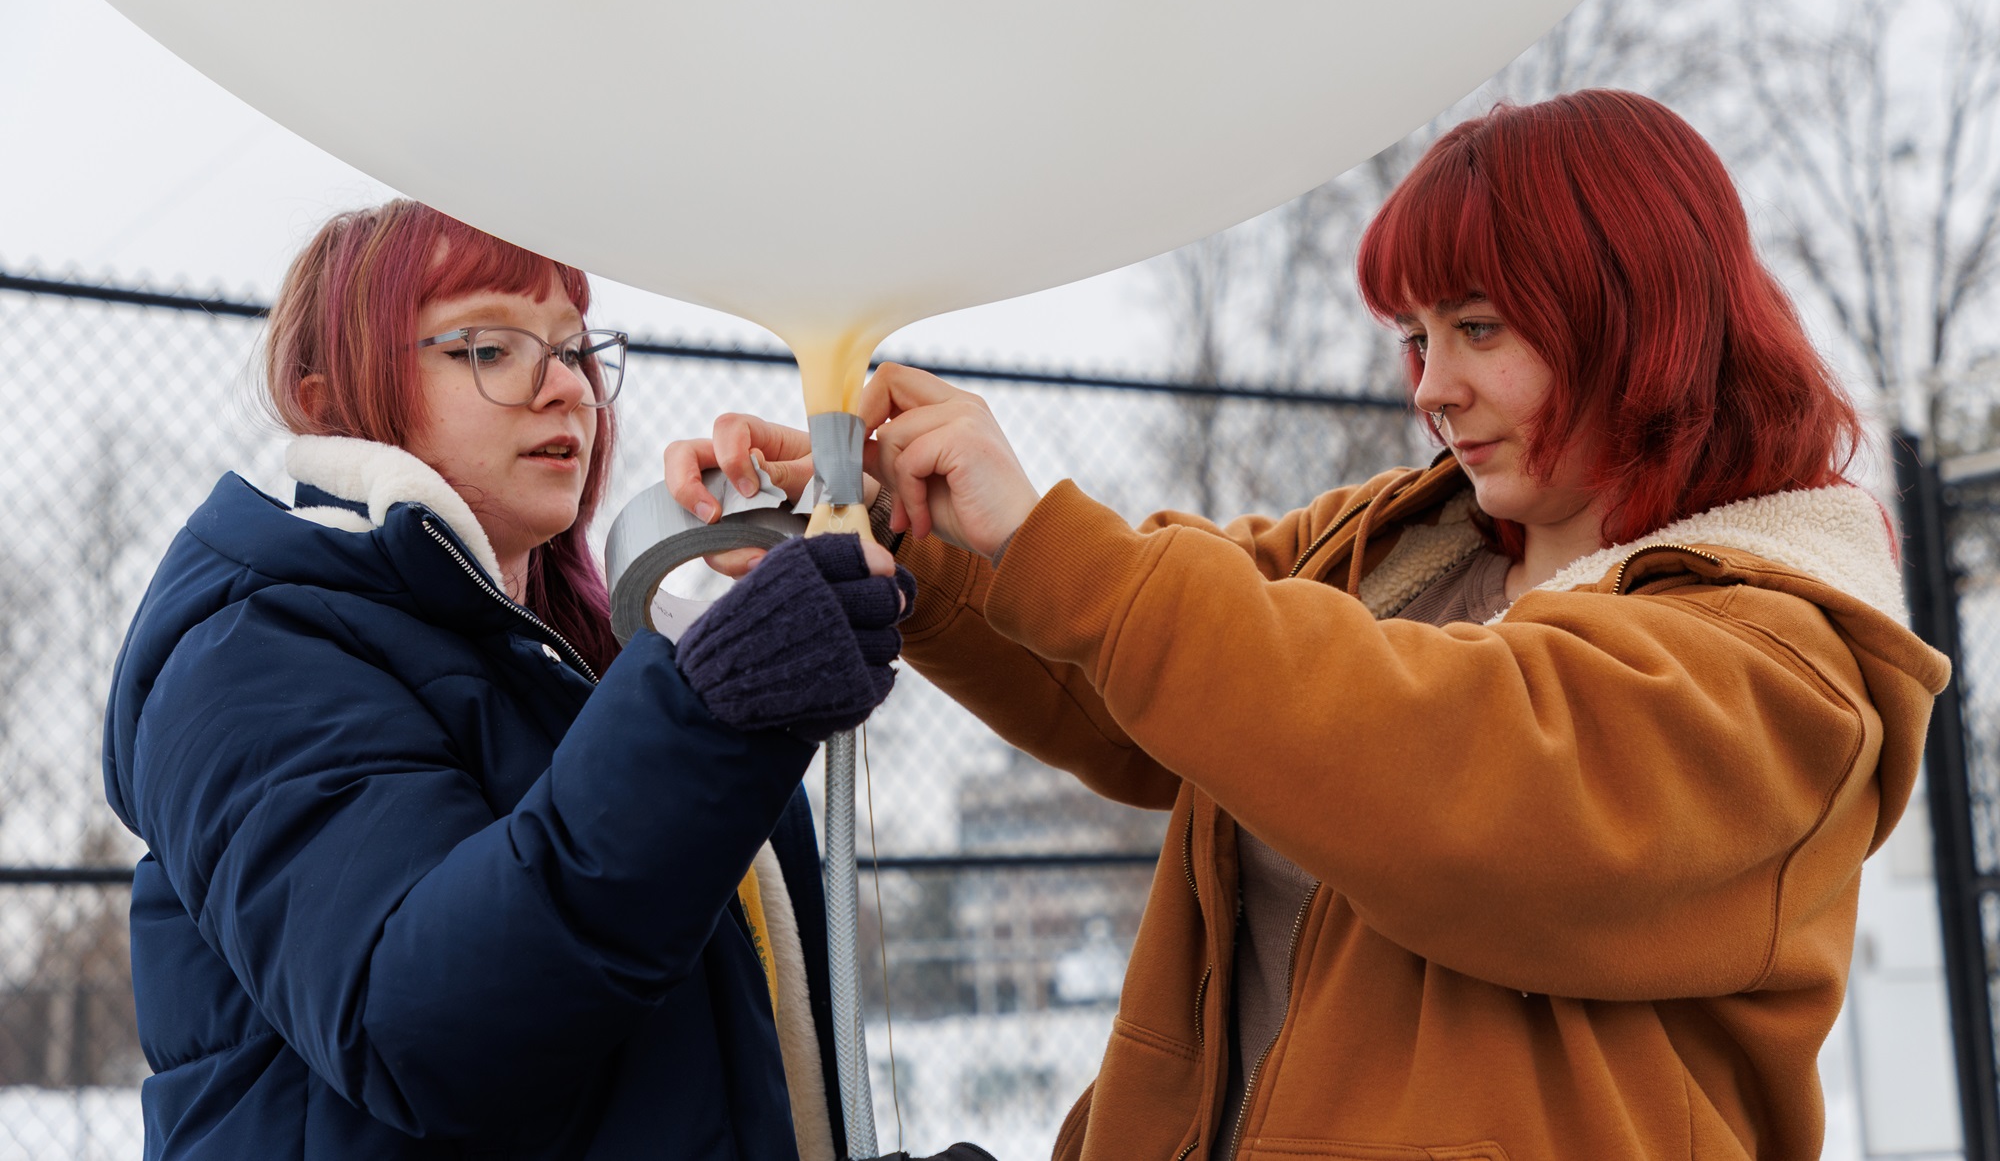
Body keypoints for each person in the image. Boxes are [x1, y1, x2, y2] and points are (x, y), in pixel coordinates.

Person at [669, 90, 1951, 1160]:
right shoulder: (1403, 546)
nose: (1430, 388)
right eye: (1412, 336)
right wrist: (911, 540)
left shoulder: (1779, 657)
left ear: (1634, 315)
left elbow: (1451, 769)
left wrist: (1051, 540)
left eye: (1477, 329)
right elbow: (1147, 690)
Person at [105, 199, 915, 1160]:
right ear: (324, 396)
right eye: (489, 348)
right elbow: (418, 1024)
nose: (565, 388)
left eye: (575, 351)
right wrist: (717, 709)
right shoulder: (246, 655)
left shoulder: (583, 662)